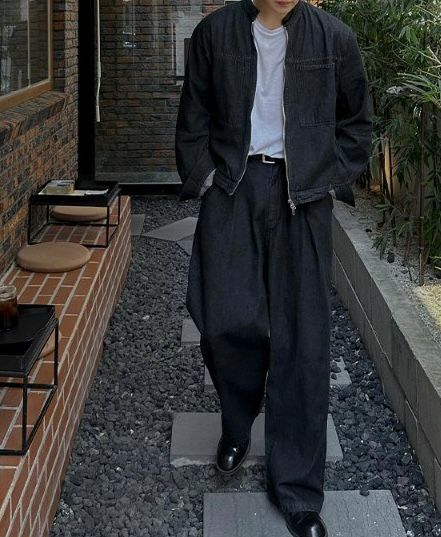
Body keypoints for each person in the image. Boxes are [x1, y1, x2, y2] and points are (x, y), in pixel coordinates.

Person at [175, 0, 372, 535]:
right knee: (222, 319)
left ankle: (298, 490)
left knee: (303, 340)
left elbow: (357, 122)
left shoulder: (334, 37)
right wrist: (206, 176)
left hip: (302, 196)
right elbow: (194, 112)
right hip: (234, 188)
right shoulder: (215, 33)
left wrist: (328, 177)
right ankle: (238, 422)